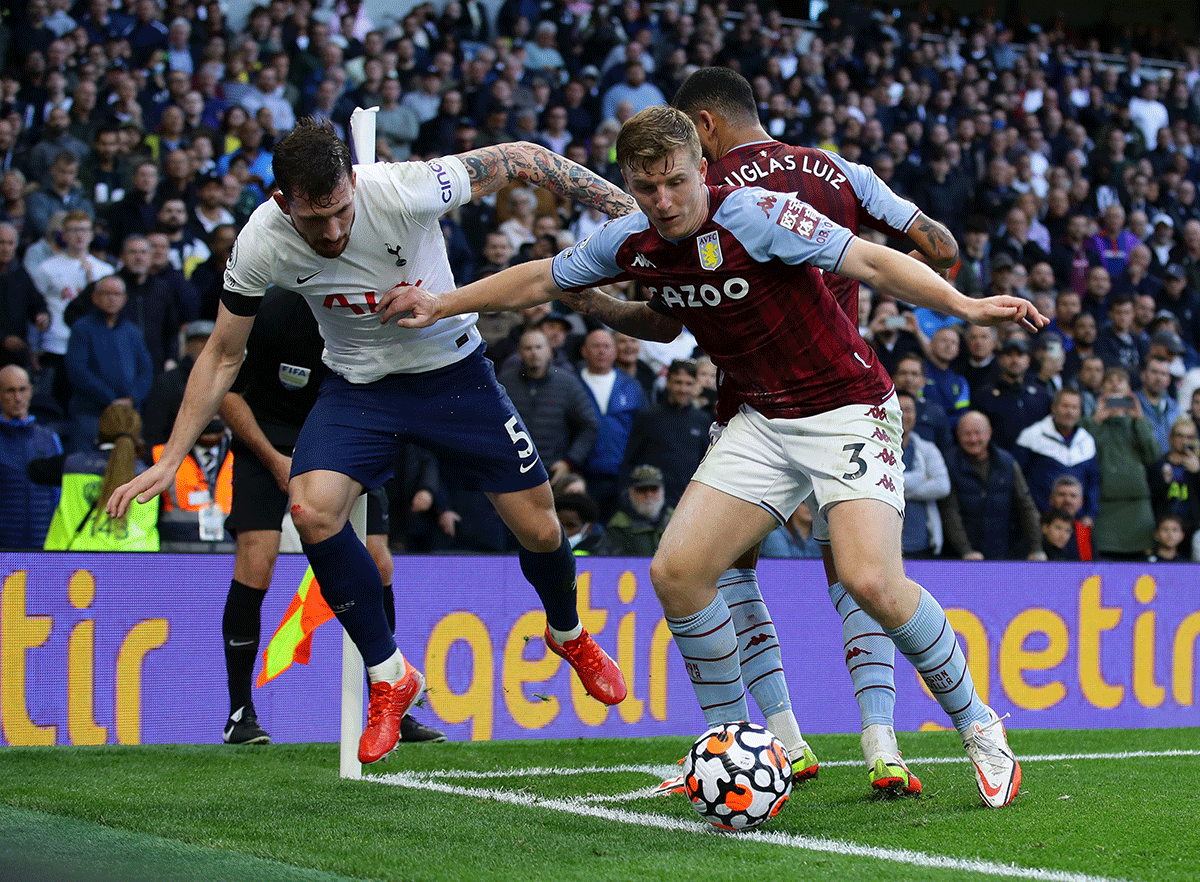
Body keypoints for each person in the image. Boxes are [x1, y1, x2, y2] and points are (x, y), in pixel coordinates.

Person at [379, 106, 1045, 807]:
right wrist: (442, 302)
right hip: (759, 418)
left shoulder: (758, 214)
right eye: (644, 187)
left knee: (869, 579)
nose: (661, 202)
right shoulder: (631, 237)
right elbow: (542, 278)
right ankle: (730, 747)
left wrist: (964, 306)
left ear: (702, 168)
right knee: (677, 573)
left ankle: (979, 725)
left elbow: (873, 260)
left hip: (847, 404)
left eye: (672, 183)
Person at [107, 118, 635, 766]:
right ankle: (390, 675)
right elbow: (221, 354)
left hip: (454, 373)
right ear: (282, 203)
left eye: (338, 213)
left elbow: (523, 158)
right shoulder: (260, 243)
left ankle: (568, 633)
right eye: (313, 219)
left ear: (353, 184)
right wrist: (176, 454)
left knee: (542, 528)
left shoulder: (405, 188)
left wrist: (631, 209)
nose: (329, 232)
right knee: (311, 508)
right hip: (360, 389)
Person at [667, 66, 959, 794]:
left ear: (704, 124)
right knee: (859, 578)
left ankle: (782, 740)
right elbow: (942, 246)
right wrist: (865, 279)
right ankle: (884, 745)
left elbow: (673, 308)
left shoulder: (713, 194)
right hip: (842, 391)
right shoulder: (841, 170)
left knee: (724, 568)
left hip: (752, 403)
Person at [218, 287, 444, 745]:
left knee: (379, 561)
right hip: (266, 441)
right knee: (256, 561)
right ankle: (239, 713)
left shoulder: (368, 310)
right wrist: (276, 459)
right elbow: (225, 395)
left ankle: (392, 706)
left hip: (345, 437)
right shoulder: (273, 310)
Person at [43, 402, 159, 550]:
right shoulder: (152, 474)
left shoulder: (69, 465)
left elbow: (32, 470)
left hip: (76, 564)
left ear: (100, 430)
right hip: (136, 564)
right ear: (137, 433)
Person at [63, 274, 154, 453]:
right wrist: (111, 398)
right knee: (86, 472)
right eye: (106, 294)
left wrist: (132, 398)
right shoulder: (82, 328)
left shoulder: (132, 331)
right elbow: (77, 370)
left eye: (117, 294)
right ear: (95, 298)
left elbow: (146, 371)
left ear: (124, 299)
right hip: (90, 415)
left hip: (127, 415)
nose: (112, 299)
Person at [498, 327, 598, 486]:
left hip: (553, 471)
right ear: (519, 352)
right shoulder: (505, 383)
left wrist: (569, 461)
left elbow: (590, 425)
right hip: (513, 470)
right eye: (528, 348)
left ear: (549, 351)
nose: (534, 353)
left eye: (539, 347)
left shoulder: (567, 383)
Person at [940, 410, 1046, 561]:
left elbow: (1026, 505)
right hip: (958, 558)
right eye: (967, 434)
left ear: (989, 433)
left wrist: (1036, 548)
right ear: (958, 434)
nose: (973, 439)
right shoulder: (948, 463)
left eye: (978, 433)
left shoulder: (1007, 463)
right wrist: (966, 551)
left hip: (1001, 553)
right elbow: (950, 512)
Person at [1082, 367, 1161, 560]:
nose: (1115, 384)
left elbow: (1153, 456)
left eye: (1121, 380)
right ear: (1102, 389)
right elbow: (1085, 457)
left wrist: (1138, 419)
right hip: (1105, 509)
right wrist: (1097, 421)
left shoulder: (1141, 422)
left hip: (1137, 509)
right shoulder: (1089, 422)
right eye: (1109, 380)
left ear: (1129, 390)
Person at [618, 358, 709, 510]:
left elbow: (705, 463)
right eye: (678, 382)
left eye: (688, 384)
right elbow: (630, 460)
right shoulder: (648, 416)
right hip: (651, 501)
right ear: (667, 382)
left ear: (695, 386)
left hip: (688, 502)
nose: (683, 389)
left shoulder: (703, 420)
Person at [576, 327, 647, 521]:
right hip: (584, 477)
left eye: (606, 346)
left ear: (614, 351)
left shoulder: (631, 385)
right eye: (596, 346)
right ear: (584, 351)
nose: (601, 351)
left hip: (623, 477)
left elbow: (643, 430)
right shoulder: (572, 383)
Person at [1014, 387, 1101, 519]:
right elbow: (1018, 481)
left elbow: (1093, 482)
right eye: (1065, 406)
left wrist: (1090, 515)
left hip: (1078, 521)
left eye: (1074, 407)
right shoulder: (1031, 436)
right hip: (1041, 520)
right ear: (1054, 408)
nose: (1070, 412)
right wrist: (1032, 513)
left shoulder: (1086, 440)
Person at [0, 364, 62, 549]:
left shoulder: (50, 439)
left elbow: (57, 497)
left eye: (22, 390)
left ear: (31, 391)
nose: (17, 398)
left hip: (43, 546)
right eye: (10, 391)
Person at [896, 389, 950, 558]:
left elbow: (942, 486)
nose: (904, 416)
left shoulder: (927, 449)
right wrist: (920, 479)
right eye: (899, 410)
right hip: (884, 542)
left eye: (909, 410)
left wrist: (896, 488)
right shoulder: (876, 449)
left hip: (921, 542)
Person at [603, 464, 673, 556]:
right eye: (642, 489)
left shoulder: (677, 521)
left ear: (662, 491)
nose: (648, 495)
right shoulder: (618, 528)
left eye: (654, 489)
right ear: (630, 493)